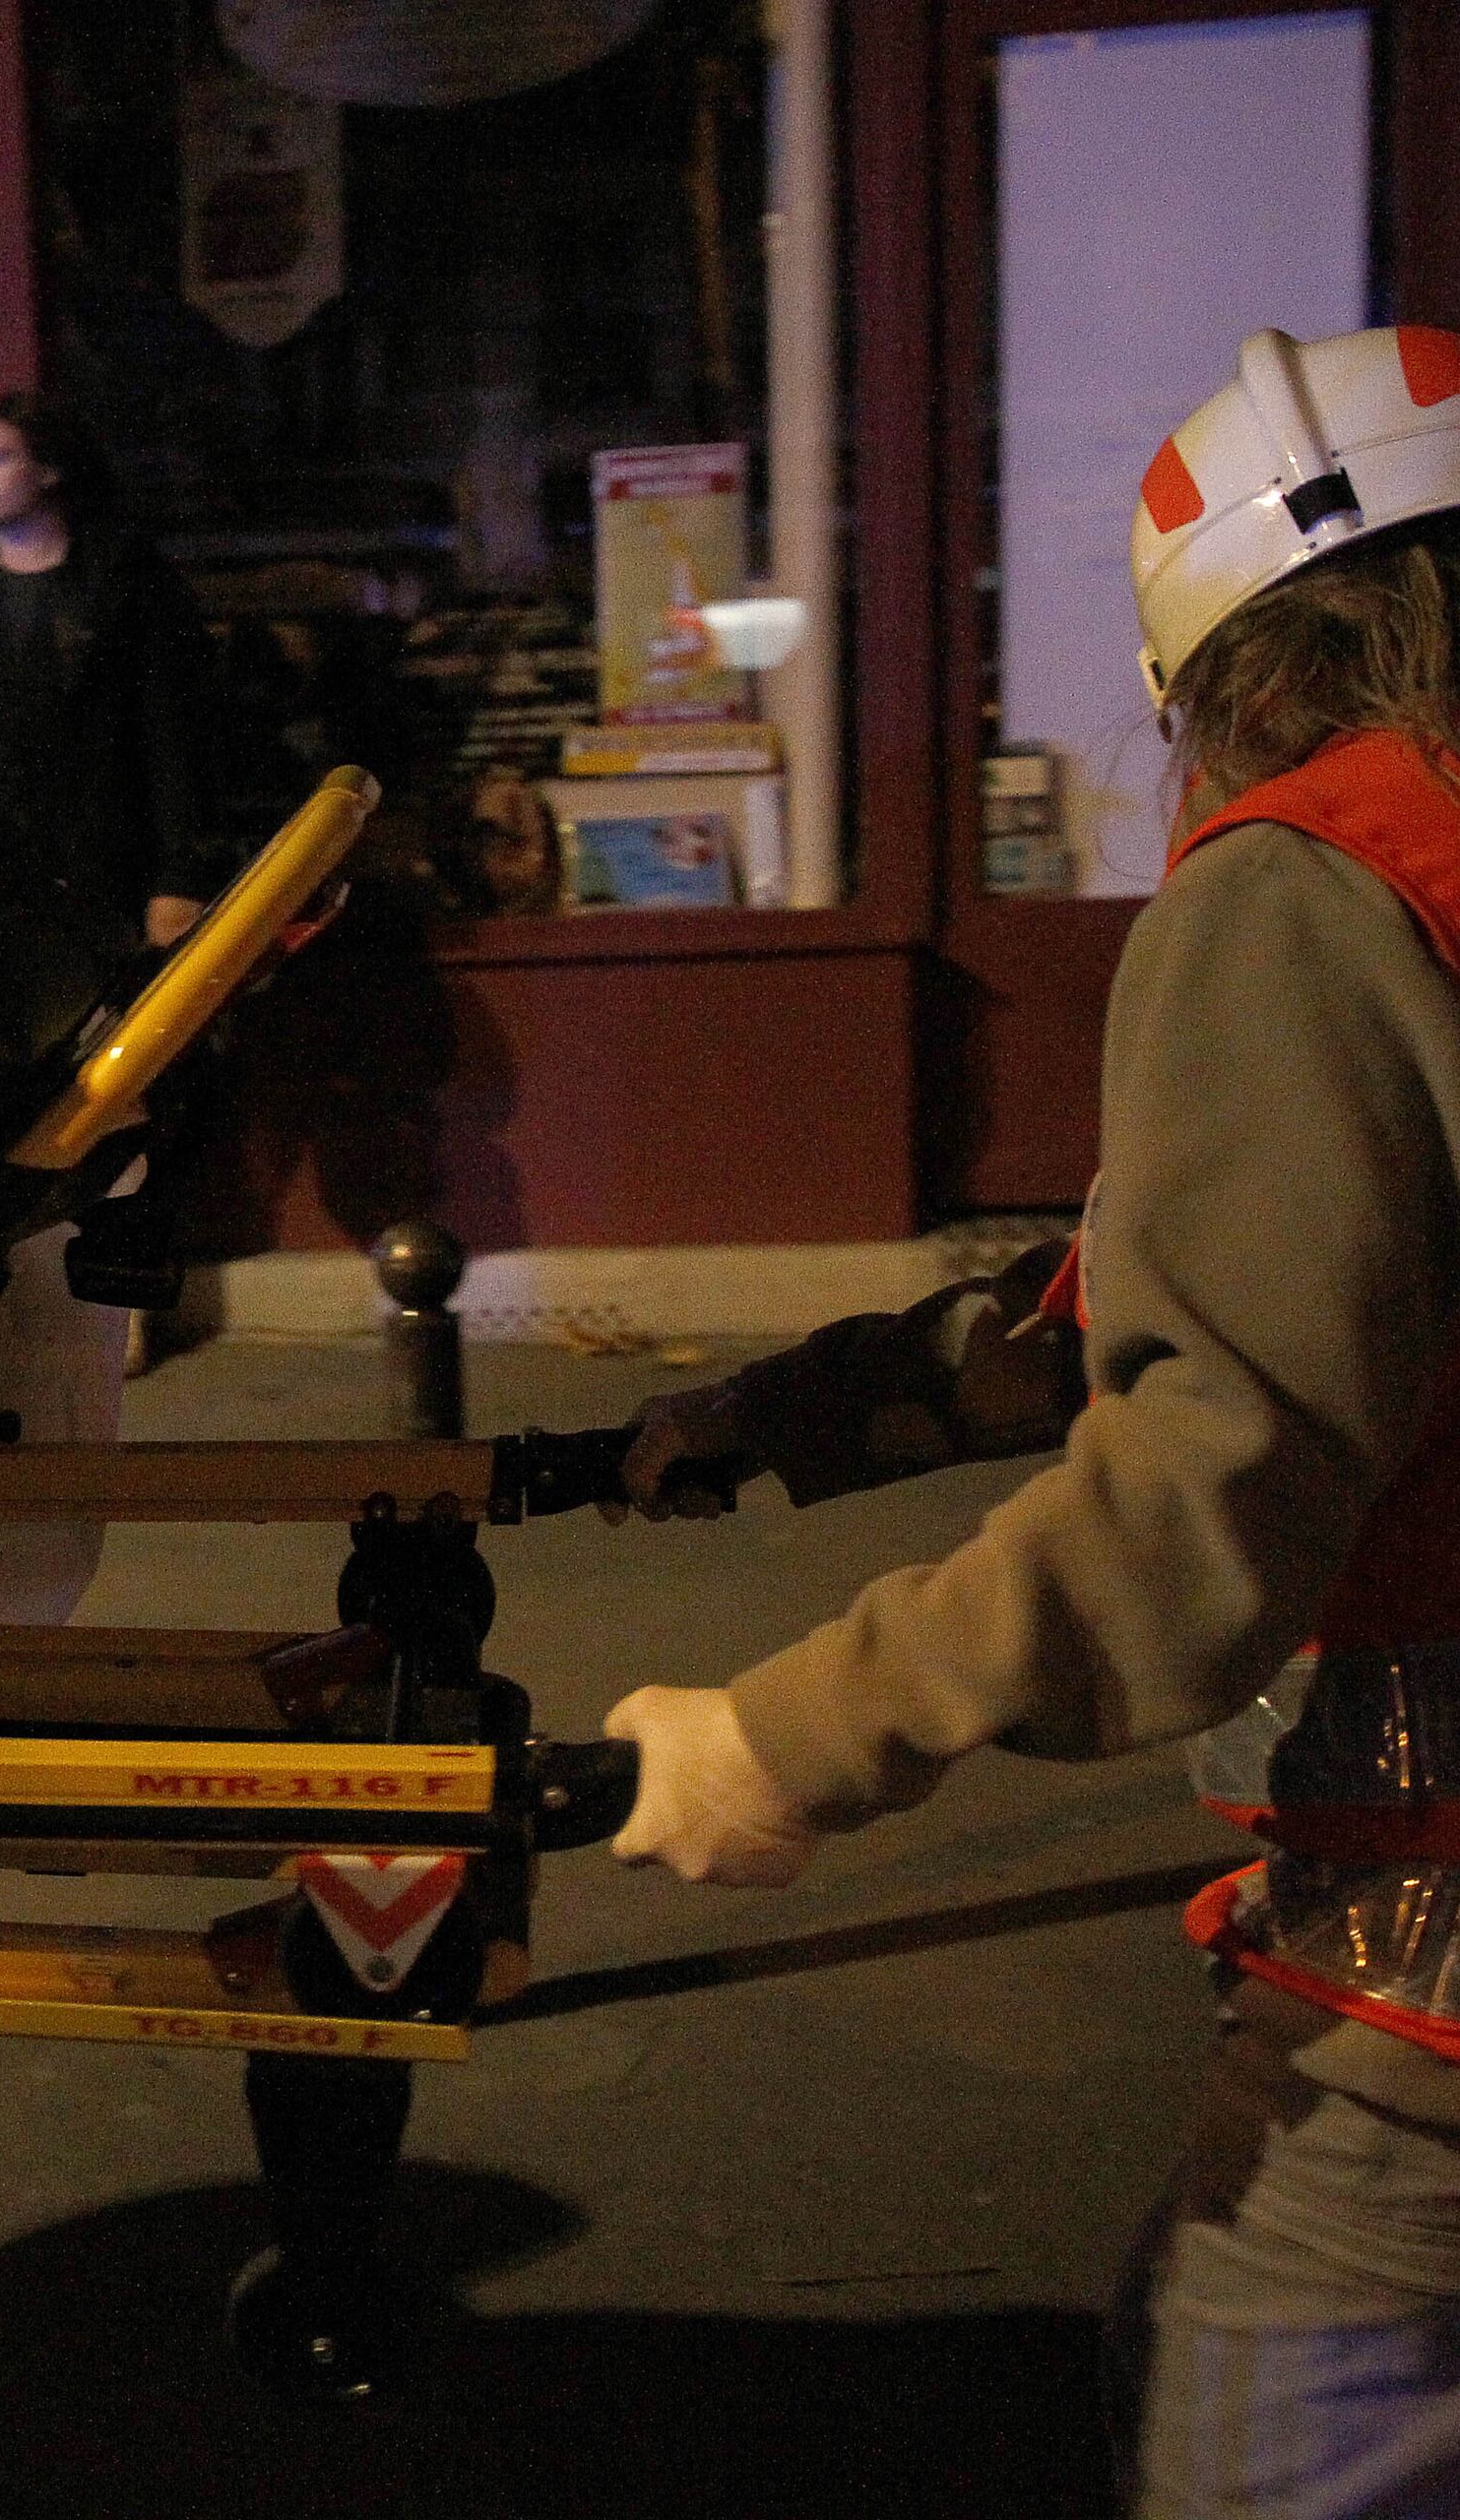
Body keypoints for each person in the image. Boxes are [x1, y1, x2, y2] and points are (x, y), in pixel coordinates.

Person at [603, 325, 1460, 2518]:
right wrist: (799, 1406)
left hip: (1432, 1973)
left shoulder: (1313, 882)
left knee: (1263, 2431)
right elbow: (1214, 1287)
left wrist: (791, 1729)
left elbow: (1212, 1469)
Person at [0, 392, 236, 947]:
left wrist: (179, 875)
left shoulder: (129, 586)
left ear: (48, 469)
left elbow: (175, 734)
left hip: (101, 857)